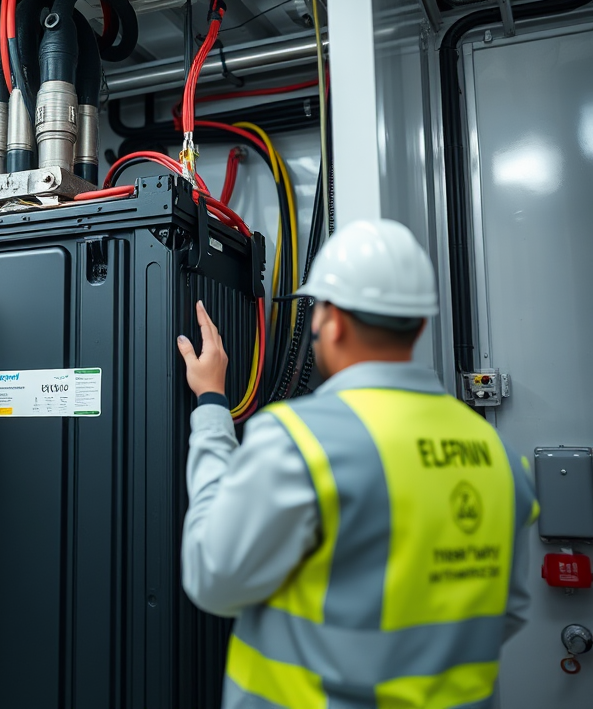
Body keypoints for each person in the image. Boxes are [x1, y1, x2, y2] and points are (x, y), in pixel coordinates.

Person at [176, 219, 538, 709]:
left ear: (333, 322)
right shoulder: (497, 457)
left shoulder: (300, 440)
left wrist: (213, 403)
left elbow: (212, 578)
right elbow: (510, 611)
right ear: (420, 324)